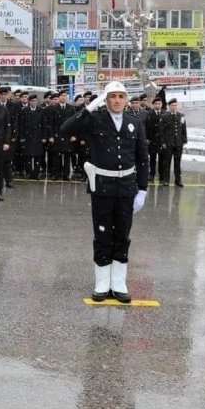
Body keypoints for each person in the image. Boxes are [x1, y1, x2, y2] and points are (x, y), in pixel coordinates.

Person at [59, 81, 149, 303]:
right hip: (102, 186)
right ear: (106, 99)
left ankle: (118, 283)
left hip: (127, 187)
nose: (117, 100)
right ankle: (102, 282)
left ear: (126, 99)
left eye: (121, 96)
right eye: (112, 96)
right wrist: (89, 107)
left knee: (122, 235)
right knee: (102, 235)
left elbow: (142, 158)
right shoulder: (95, 120)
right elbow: (66, 129)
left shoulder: (134, 123)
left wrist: (143, 190)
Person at [157, 98, 188, 187]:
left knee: (177, 163)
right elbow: (161, 131)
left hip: (178, 143)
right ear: (169, 106)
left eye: (175, 105)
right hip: (168, 143)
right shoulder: (164, 116)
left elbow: (183, 128)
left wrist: (184, 139)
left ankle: (178, 180)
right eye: (172, 106)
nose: (174, 107)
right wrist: (163, 142)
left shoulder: (181, 116)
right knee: (167, 162)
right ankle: (166, 180)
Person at [19, 95, 46, 179]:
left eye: (35, 101)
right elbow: (21, 125)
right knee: (28, 156)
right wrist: (22, 136)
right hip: (28, 137)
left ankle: (36, 173)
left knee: (38, 156)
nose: (34, 102)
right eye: (32, 101)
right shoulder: (24, 111)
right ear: (29, 102)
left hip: (38, 136)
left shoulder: (41, 111)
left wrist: (44, 137)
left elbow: (44, 125)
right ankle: (29, 172)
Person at [144, 97, 163, 183]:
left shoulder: (165, 114)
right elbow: (147, 128)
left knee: (162, 159)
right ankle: (152, 175)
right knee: (152, 159)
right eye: (156, 104)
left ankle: (161, 175)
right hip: (152, 140)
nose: (157, 105)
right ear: (153, 105)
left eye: (159, 104)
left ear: (161, 104)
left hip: (161, 141)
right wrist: (147, 138)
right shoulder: (149, 114)